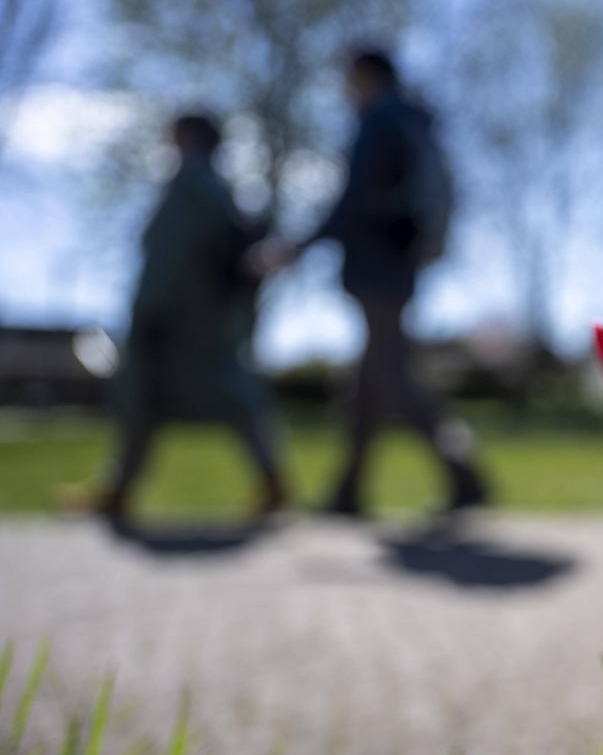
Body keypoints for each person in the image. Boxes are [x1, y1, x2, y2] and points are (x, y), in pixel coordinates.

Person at [296, 47, 487, 516]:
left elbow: (354, 201)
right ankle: (348, 493)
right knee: (369, 382)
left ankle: (465, 475)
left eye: (348, 78)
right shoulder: (407, 121)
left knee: (391, 377)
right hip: (396, 268)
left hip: (379, 269)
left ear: (365, 74)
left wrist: (298, 245)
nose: (344, 89)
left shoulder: (380, 121)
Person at [98, 113, 286, 522]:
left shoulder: (189, 184)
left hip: (177, 316)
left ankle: (119, 490)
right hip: (206, 318)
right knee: (184, 397)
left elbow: (169, 253)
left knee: (152, 394)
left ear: (185, 136)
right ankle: (118, 489)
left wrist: (149, 309)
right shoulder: (217, 188)